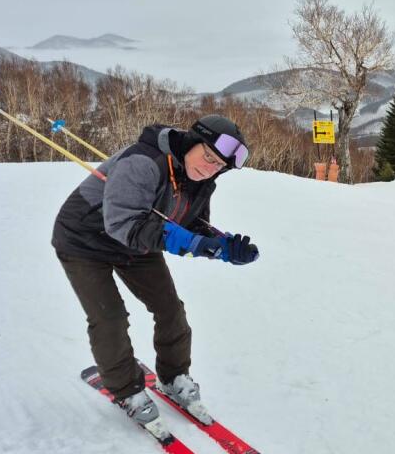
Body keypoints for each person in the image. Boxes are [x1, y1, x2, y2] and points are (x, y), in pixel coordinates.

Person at [52, 115, 258, 426]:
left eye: (219, 165)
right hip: (84, 241)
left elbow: (191, 225)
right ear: (191, 142)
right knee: (109, 318)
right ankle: (127, 391)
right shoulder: (143, 162)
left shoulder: (201, 180)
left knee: (170, 309)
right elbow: (123, 223)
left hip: (138, 244)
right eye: (208, 157)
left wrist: (225, 247)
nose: (210, 168)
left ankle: (174, 377)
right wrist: (195, 243)